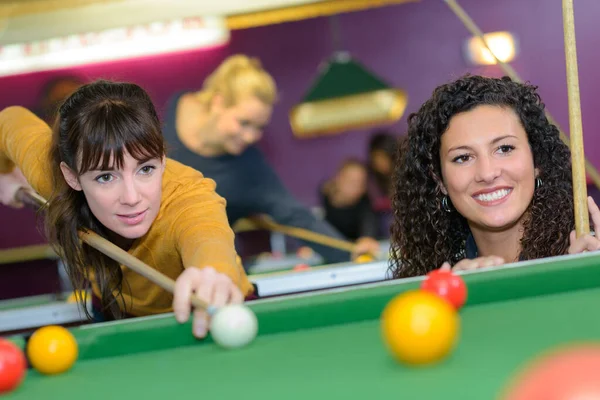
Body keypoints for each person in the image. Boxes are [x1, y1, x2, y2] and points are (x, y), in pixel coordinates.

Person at [0, 80, 253, 339]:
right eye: (106, 177)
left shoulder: (186, 198)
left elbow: (207, 235)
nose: (132, 198)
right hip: (115, 311)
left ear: (163, 160)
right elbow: (9, 120)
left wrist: (214, 271)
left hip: (206, 312)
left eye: (146, 169)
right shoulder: (52, 176)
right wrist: (5, 170)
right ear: (72, 176)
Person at [163, 54, 380, 263]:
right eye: (244, 122)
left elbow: (296, 216)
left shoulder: (251, 169)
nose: (250, 136)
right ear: (219, 102)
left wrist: (349, 251)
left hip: (212, 270)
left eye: (259, 127)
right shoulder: (167, 113)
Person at [390, 74, 600, 278]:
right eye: (463, 158)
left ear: (537, 162)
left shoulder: (587, 255)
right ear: (439, 180)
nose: (487, 173)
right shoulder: (430, 287)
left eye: (505, 148)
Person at [319, 159, 379, 241]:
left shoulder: (364, 203)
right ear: (338, 178)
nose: (357, 188)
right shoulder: (324, 195)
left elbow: (369, 225)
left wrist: (367, 238)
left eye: (361, 183)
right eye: (352, 182)